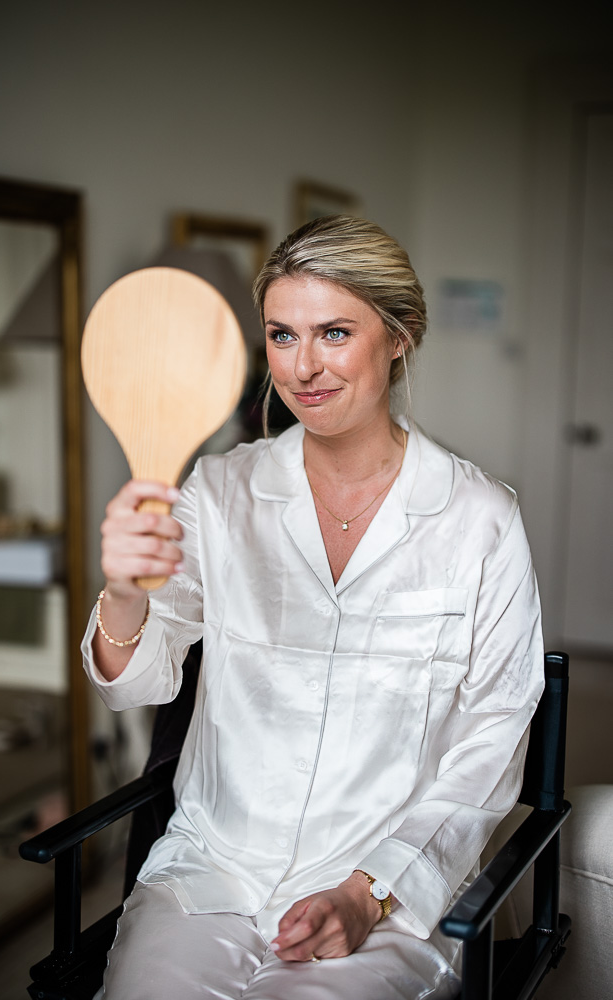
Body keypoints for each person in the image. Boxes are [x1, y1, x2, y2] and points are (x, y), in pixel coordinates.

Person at [82, 215, 544, 999]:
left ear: (399, 337)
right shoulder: (217, 494)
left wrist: (368, 894)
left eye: (333, 332)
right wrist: (125, 590)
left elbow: (491, 741)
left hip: (387, 894)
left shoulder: (480, 521)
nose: (302, 368)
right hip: (211, 872)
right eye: (281, 335)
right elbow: (138, 683)